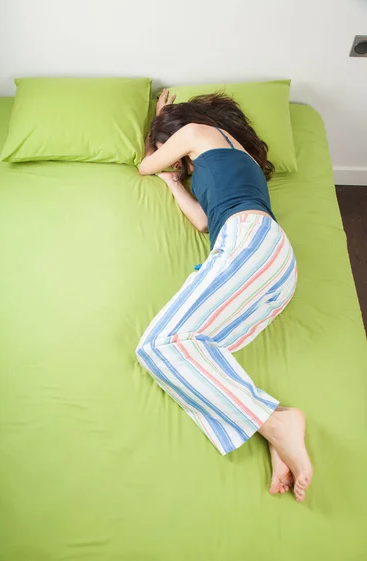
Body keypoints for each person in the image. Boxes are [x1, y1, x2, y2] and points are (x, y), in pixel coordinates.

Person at [136, 89, 312, 502]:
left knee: (158, 345)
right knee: (199, 347)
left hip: (248, 245)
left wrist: (158, 127)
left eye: (172, 151)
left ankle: (274, 422)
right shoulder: (239, 158)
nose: (175, 161)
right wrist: (175, 181)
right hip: (276, 265)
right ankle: (276, 421)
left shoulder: (196, 131)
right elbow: (201, 220)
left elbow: (145, 165)